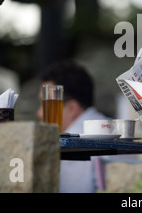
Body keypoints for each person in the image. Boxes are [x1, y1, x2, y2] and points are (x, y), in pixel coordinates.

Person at [37, 60, 109, 193]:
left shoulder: (72, 144)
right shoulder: (110, 126)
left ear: (72, 108)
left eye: (45, 104)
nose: (39, 113)